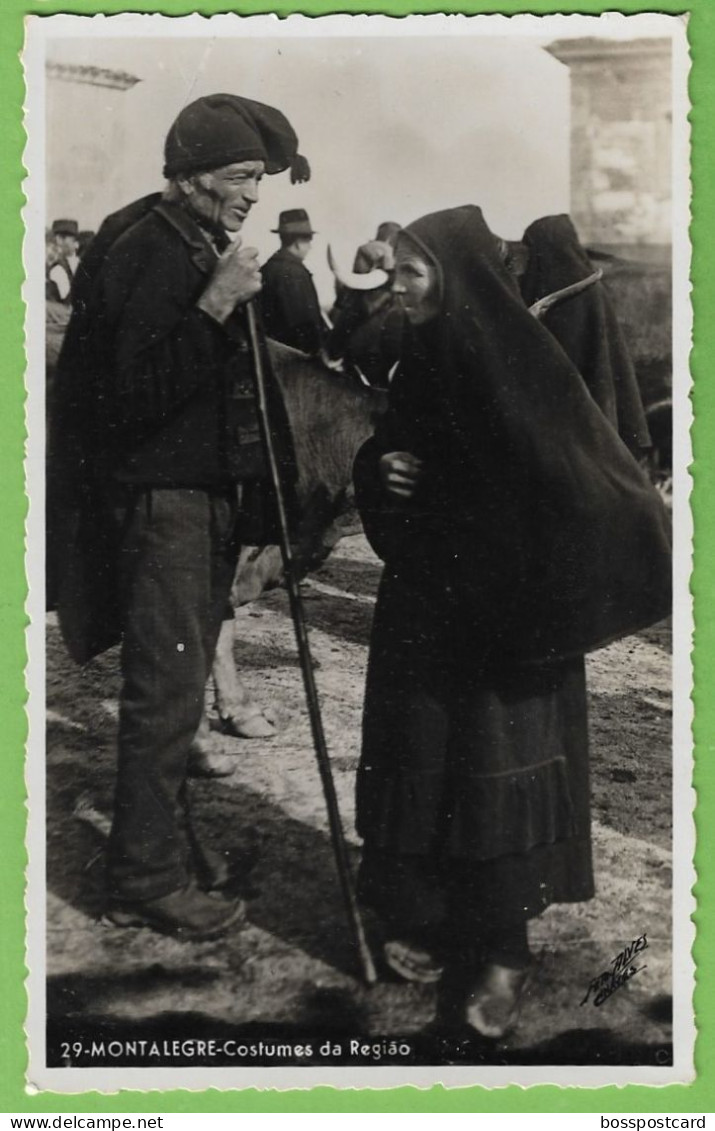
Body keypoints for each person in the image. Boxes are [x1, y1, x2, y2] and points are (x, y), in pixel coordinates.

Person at [353, 205, 671, 1036]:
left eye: (409, 271)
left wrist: (469, 510)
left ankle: (502, 948)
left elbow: (581, 484)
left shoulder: (522, 364)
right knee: (421, 753)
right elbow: (391, 441)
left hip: (505, 617)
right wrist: (377, 464)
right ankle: (422, 912)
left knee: (492, 768)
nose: (395, 284)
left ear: (455, 276)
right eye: (394, 269)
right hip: (425, 603)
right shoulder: (420, 353)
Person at [50, 93, 308, 940]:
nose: (251, 195)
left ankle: (168, 851)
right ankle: (145, 878)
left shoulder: (180, 240)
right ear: (191, 174)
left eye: (258, 181)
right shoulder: (152, 254)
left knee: (183, 685)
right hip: (163, 503)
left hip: (193, 498)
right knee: (164, 694)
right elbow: (127, 399)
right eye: (239, 177)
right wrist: (216, 304)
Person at [260, 209, 324, 356]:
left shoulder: (267, 269)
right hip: (295, 363)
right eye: (308, 240)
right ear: (298, 242)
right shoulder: (295, 273)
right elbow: (304, 327)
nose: (310, 247)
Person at [47, 218, 80, 303]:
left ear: (75, 241)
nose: (59, 243)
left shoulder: (81, 263)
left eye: (63, 238)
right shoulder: (57, 269)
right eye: (57, 238)